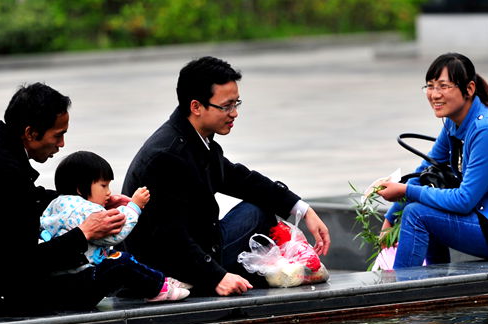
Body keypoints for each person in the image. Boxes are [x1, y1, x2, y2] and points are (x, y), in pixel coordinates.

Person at [0, 83, 152, 315]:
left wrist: (89, 202)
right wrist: (84, 233)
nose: (62, 144)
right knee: (113, 268)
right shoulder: (4, 170)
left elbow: (29, 197)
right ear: (30, 133)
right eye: (58, 135)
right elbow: (22, 264)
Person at [122, 55, 331, 297]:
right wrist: (216, 277)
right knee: (256, 222)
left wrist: (303, 210)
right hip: (168, 268)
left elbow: (242, 179)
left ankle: (264, 267)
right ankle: (252, 270)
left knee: (259, 208)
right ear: (196, 106)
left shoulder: (196, 139)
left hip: (199, 244)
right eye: (226, 106)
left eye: (236, 104)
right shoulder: (167, 156)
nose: (234, 114)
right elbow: (170, 237)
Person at [376, 52, 488, 269]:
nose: (434, 94)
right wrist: (391, 217)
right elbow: (424, 172)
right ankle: (435, 285)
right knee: (421, 204)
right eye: (430, 86)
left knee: (417, 215)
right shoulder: (453, 122)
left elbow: (464, 200)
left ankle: (401, 293)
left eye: (443, 86)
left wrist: (405, 192)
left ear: (468, 89)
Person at [40, 151, 190, 302]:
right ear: (80, 188)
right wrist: (134, 207)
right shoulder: (86, 209)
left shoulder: (57, 204)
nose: (109, 192)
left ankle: (158, 282)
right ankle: (158, 288)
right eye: (103, 186)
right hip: (84, 278)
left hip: (65, 278)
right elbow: (114, 234)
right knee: (122, 260)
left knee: (118, 259)